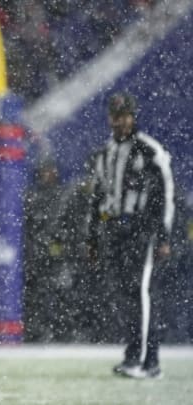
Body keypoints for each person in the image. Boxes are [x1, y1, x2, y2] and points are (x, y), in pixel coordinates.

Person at [87, 92, 174, 379]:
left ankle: (147, 360)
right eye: (116, 116)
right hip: (114, 230)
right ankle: (136, 355)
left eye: (125, 116)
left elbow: (165, 195)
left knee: (141, 294)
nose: (121, 122)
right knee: (127, 297)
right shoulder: (104, 153)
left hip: (141, 230)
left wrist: (162, 235)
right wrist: (92, 237)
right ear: (110, 118)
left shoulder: (150, 150)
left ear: (133, 117)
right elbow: (97, 198)